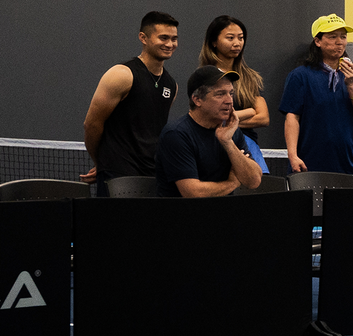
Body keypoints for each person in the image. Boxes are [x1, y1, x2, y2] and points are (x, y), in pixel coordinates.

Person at [81, 11, 180, 187]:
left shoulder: (171, 85)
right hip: (118, 174)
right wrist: (101, 163)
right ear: (143, 38)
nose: (170, 44)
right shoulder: (121, 75)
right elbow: (92, 124)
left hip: (152, 174)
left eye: (174, 39)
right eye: (163, 38)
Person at [281, 14, 353, 178]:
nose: (339, 42)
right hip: (309, 167)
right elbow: (292, 117)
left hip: (350, 168)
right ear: (318, 41)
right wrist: (293, 156)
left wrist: (350, 85)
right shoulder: (300, 75)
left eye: (343, 37)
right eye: (332, 37)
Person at [155, 67, 266, 198]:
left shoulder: (231, 132)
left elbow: (253, 181)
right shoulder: (176, 134)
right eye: (220, 94)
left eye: (231, 93)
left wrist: (228, 143)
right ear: (197, 100)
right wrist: (232, 183)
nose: (229, 101)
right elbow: (193, 193)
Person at [199, 15, 271, 166]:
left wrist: (228, 122)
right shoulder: (203, 76)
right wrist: (249, 111)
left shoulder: (250, 77)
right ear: (214, 42)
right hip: (214, 144)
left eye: (241, 38)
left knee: (257, 184)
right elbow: (208, 120)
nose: (237, 43)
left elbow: (263, 118)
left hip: (247, 144)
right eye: (230, 38)